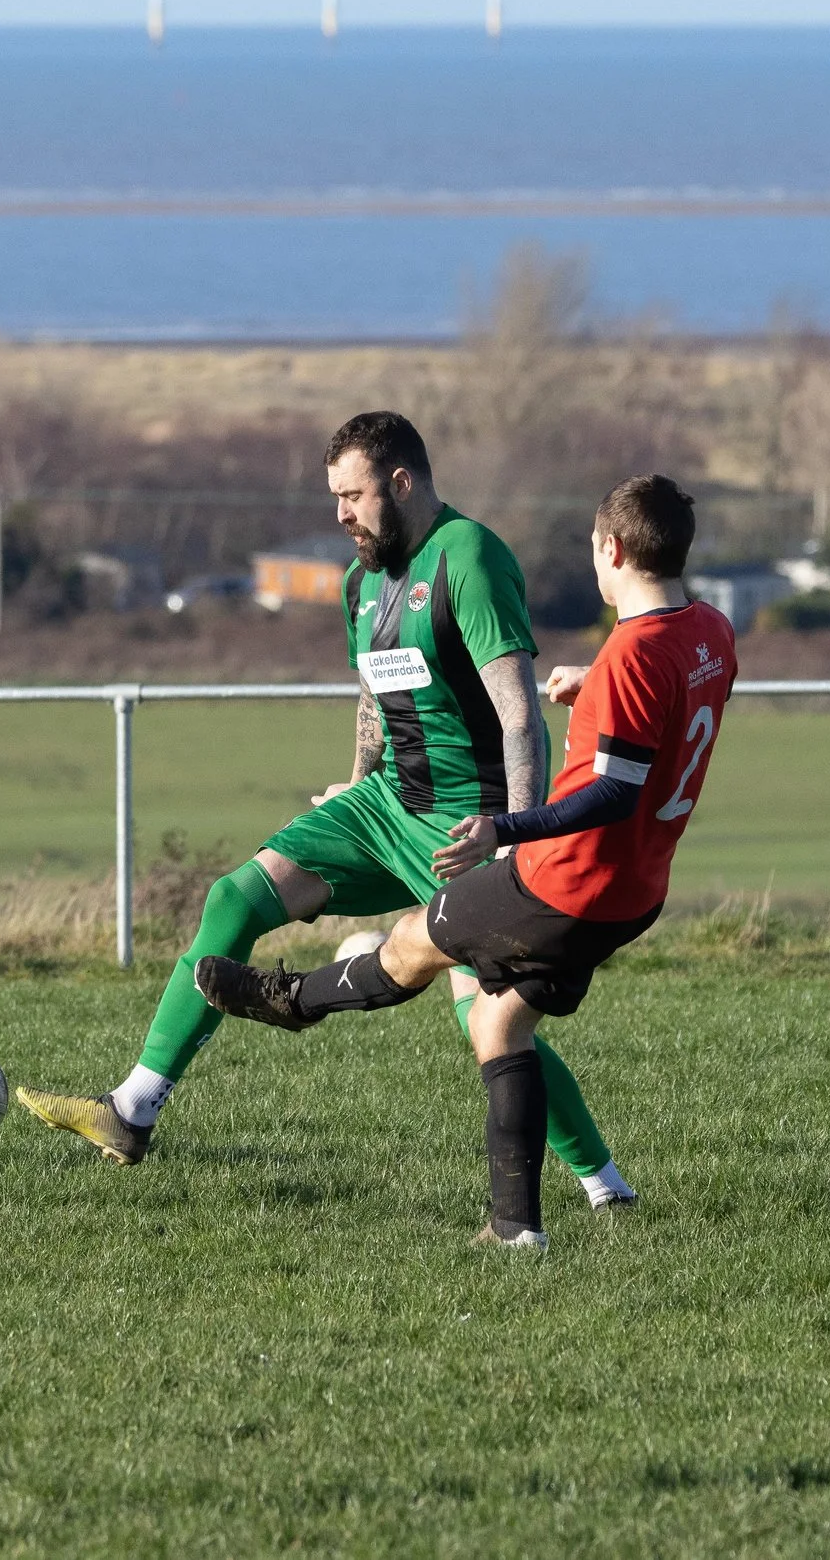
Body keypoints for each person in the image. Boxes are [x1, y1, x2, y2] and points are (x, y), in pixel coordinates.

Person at [17, 411, 638, 1211]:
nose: (340, 514)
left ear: (402, 484)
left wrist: (515, 844)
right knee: (235, 895)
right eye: (335, 497)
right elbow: (374, 696)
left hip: (466, 823)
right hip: (382, 806)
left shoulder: (470, 558)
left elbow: (520, 714)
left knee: (485, 1017)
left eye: (352, 495)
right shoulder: (360, 580)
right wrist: (354, 782)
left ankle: (605, 1187)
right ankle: (131, 1109)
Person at [196, 476, 734, 1251]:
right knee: (497, 1022)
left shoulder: (630, 659)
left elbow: (614, 792)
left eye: (593, 549)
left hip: (562, 883)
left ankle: (291, 999)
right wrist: (593, 690)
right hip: (634, 893)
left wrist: (503, 828)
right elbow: (671, 705)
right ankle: (521, 1228)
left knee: (415, 942)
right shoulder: (709, 630)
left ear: (611, 550)